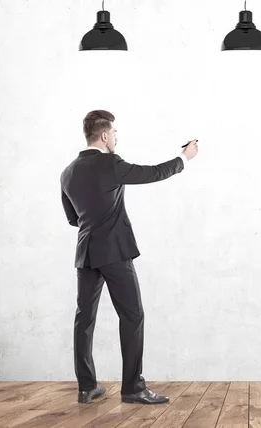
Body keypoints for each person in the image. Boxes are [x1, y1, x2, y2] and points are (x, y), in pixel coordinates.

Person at [60, 110, 198, 404]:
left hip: (85, 253)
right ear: (105, 135)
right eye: (116, 133)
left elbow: (73, 218)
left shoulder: (68, 172)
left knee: (84, 319)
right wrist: (185, 158)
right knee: (132, 315)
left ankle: (86, 387)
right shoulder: (111, 163)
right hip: (113, 251)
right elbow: (152, 173)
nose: (117, 138)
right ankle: (133, 388)